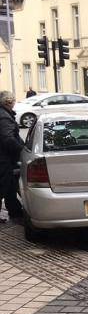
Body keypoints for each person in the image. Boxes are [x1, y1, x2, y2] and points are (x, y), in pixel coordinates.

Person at [0, 91, 24, 222]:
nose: (14, 103)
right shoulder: (4, 117)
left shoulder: (4, 114)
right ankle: (15, 211)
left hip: (5, 158)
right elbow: (8, 138)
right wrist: (22, 150)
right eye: (13, 101)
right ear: (9, 102)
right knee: (5, 185)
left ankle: (15, 211)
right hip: (4, 158)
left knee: (9, 185)